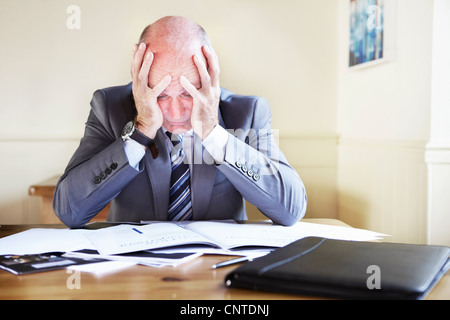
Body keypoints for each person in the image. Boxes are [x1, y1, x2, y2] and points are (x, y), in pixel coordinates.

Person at [53, 16, 307, 228]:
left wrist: (213, 132)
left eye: (188, 92)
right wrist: (140, 132)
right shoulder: (109, 107)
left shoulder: (248, 111)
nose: (175, 113)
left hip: (219, 268)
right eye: (160, 94)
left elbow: (290, 209)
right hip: (134, 274)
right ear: (138, 76)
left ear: (210, 73)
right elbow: (69, 210)